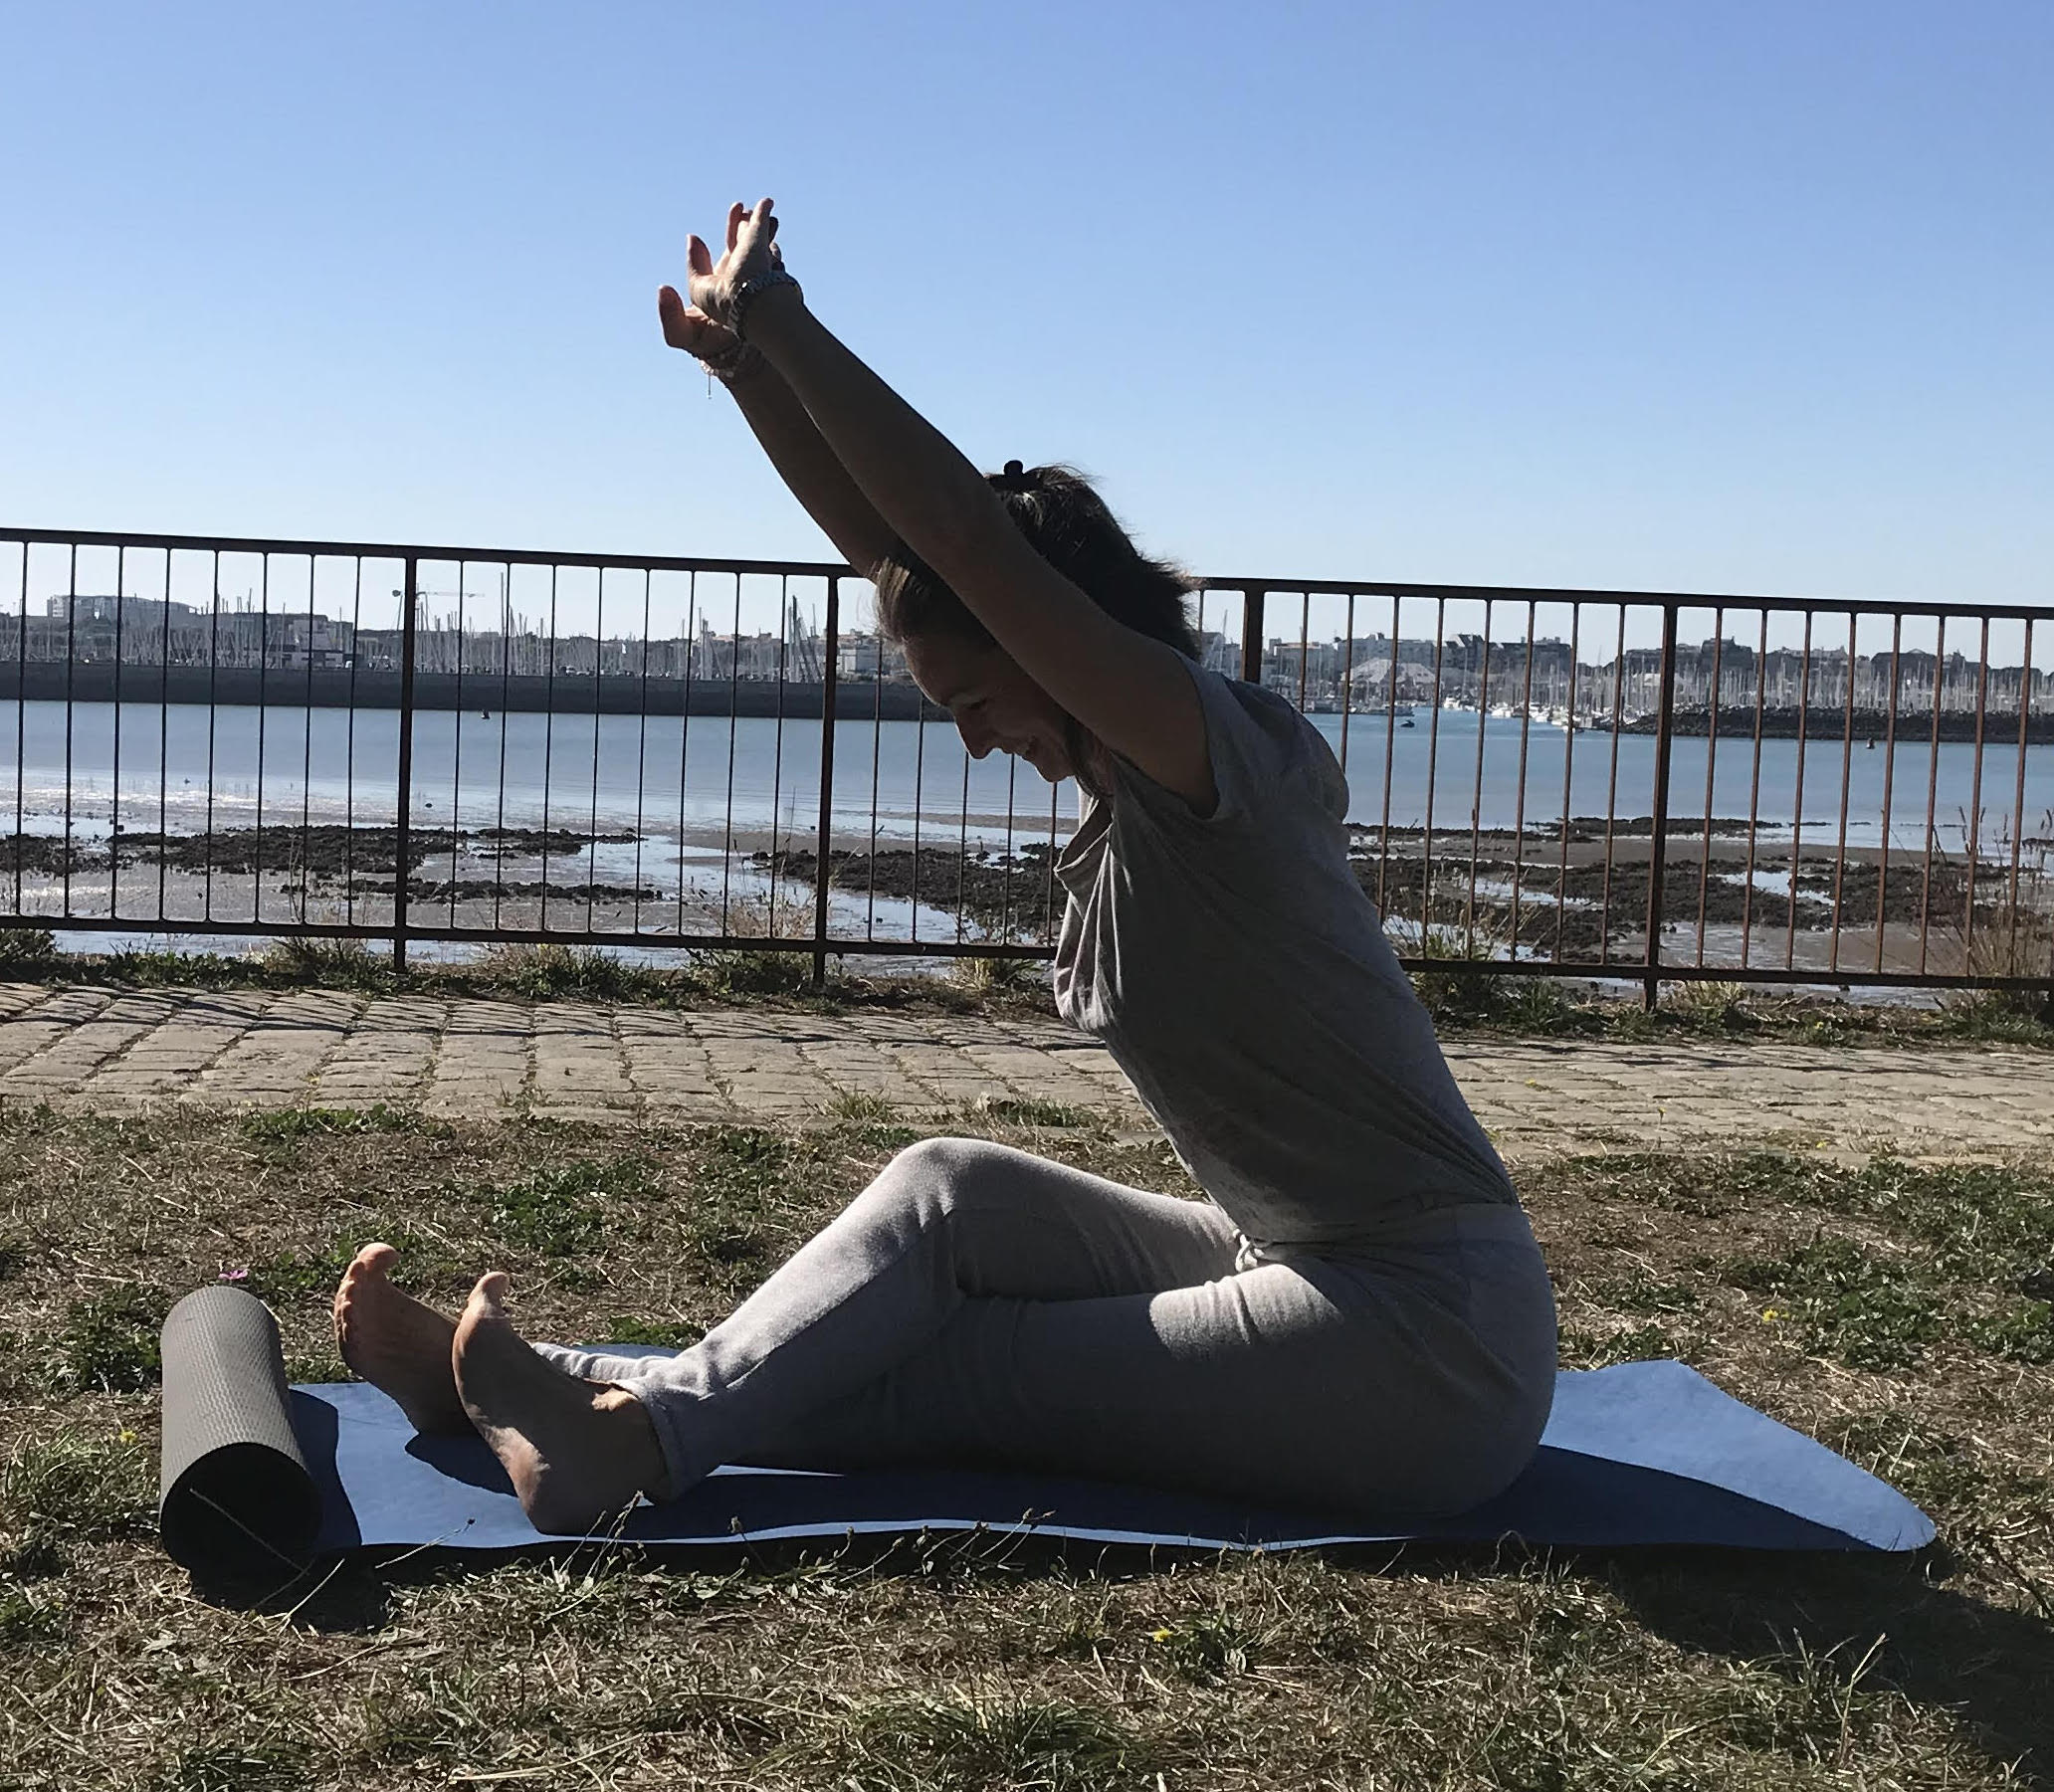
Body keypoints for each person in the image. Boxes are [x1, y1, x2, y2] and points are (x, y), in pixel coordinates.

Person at [333, 198, 1558, 1535]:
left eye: (976, 700)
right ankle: (544, 1395)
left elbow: (970, 545)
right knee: (950, 1191)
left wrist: (784, 322)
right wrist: (747, 375)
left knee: (975, 1365)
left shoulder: (1214, 765)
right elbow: (908, 557)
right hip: (1291, 1256)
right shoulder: (1130, 782)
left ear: (1051, 639)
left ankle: (611, 1432)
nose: (973, 741)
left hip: (1429, 1338)